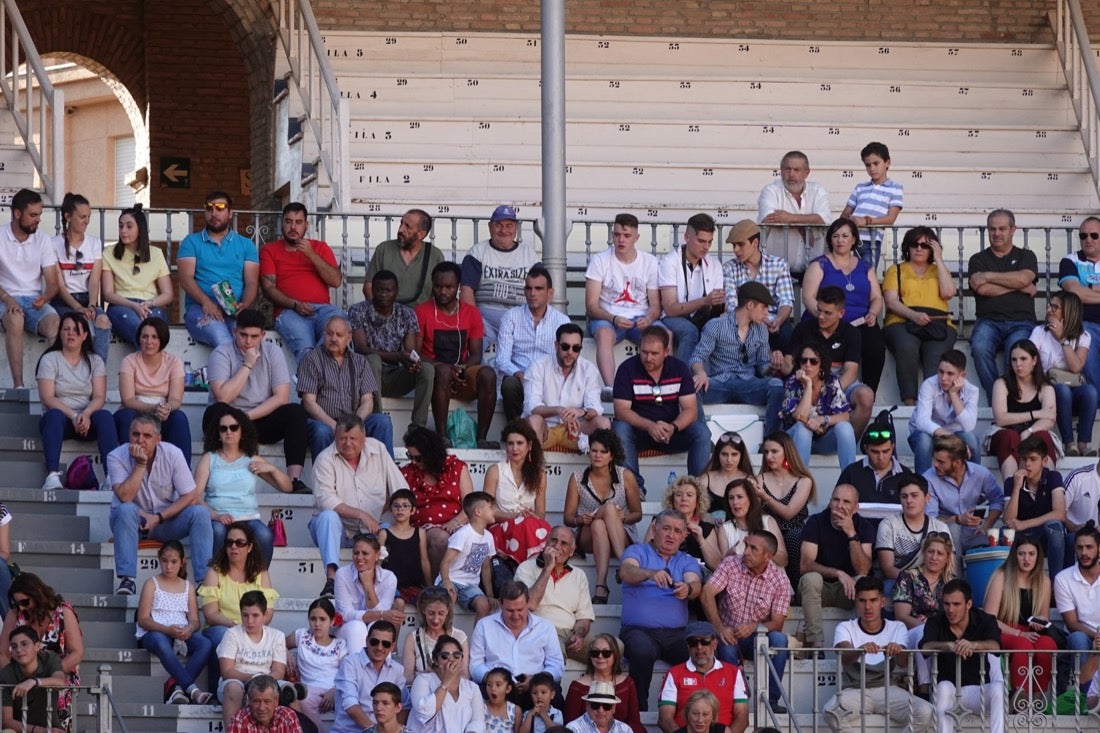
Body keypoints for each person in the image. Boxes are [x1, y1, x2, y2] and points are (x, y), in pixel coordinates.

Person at [205, 309, 311, 492]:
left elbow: (281, 397)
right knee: (216, 410)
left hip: (258, 418)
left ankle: (294, 479)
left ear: (263, 335)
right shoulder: (221, 353)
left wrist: (246, 417)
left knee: (296, 412)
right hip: (227, 420)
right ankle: (220, 476)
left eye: (254, 336)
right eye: (243, 335)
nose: (248, 341)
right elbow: (222, 396)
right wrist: (247, 364)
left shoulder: (272, 351)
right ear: (234, 332)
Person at [107, 413, 210, 595]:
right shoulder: (116, 456)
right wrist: (140, 464)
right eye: (135, 434)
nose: (140, 440)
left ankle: (204, 582)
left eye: (147, 436)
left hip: (165, 522)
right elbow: (125, 496)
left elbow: (190, 495)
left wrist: (159, 517)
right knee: (126, 509)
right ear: (129, 435)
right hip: (131, 522)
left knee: (200, 513)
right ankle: (127, 580)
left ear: (158, 439)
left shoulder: (173, 453)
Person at [309, 414, 409, 598]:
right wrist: (362, 515)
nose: (347, 443)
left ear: (364, 438)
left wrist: (387, 507)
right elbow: (326, 500)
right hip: (337, 531)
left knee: (394, 530)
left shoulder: (378, 449)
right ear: (335, 437)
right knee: (327, 516)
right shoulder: (324, 459)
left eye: (353, 438)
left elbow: (400, 489)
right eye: (342, 438)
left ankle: (389, 584)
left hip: (372, 528)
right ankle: (331, 579)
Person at [823, 576, 934, 733]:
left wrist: (897, 650)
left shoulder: (897, 627)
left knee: (925, 711)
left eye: (873, 600)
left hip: (889, 689)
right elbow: (846, 657)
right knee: (830, 712)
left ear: (882, 602)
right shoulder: (845, 627)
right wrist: (860, 649)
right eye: (862, 601)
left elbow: (903, 662)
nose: (868, 606)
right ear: (856, 601)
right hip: (855, 690)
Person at [617, 510, 703, 710]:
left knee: (700, 651)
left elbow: (696, 584)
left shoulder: (687, 560)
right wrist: (649, 573)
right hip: (639, 631)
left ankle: (690, 710)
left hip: (676, 635)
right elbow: (626, 571)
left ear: (684, 536)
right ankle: (639, 711)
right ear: (654, 530)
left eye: (677, 531)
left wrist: (688, 589)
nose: (671, 535)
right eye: (666, 528)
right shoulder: (637, 551)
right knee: (641, 651)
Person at [612, 326, 711, 493]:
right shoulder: (626, 369)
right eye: (644, 352)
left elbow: (690, 410)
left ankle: (697, 491)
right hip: (639, 433)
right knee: (619, 428)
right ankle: (634, 490)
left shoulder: (679, 369)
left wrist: (673, 427)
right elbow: (621, 411)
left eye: (654, 353)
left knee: (701, 432)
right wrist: (650, 426)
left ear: (666, 351)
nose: (648, 357)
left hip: (671, 432)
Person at [699, 531, 790, 712]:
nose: (746, 551)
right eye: (746, 545)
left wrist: (755, 627)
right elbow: (707, 592)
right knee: (726, 645)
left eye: (753, 549)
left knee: (780, 640)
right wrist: (720, 627)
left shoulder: (780, 581)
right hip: (727, 633)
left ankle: (771, 701)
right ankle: (736, 700)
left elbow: (777, 623)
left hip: (756, 637)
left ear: (768, 556)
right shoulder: (731, 563)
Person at [415, 261, 498, 448]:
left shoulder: (471, 313)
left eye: (449, 287)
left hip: (461, 373)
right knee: (443, 371)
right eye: (438, 286)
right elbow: (417, 353)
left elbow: (476, 354)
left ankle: (482, 438)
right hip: (435, 375)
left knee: (488, 374)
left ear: (458, 287)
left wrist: (461, 369)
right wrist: (443, 368)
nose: (443, 291)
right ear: (432, 284)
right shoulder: (421, 312)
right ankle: (442, 436)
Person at [196, 408, 292, 567]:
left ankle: (258, 583)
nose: (228, 432)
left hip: (249, 518)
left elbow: (287, 487)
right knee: (218, 532)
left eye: (233, 427)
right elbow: (196, 496)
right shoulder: (209, 458)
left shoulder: (251, 459)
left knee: (265, 535)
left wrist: (272, 469)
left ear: (242, 431)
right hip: (219, 517)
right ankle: (217, 581)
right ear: (218, 433)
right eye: (223, 428)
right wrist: (214, 515)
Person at [801, 217, 885, 393]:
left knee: (875, 346)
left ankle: (869, 394)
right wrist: (823, 316)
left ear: (854, 239)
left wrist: (873, 313)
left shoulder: (865, 267)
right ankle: (819, 394)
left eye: (845, 236)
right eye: (835, 236)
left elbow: (877, 297)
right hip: (827, 322)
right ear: (830, 239)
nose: (840, 240)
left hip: (860, 323)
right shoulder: (819, 265)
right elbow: (808, 297)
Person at [689, 281, 784, 437]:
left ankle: (770, 439)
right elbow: (697, 357)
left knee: (777, 385)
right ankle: (703, 437)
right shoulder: (716, 325)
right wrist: (700, 373)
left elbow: (762, 367)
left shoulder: (761, 330)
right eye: (764, 307)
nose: (767, 312)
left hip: (749, 383)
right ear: (750, 305)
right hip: (720, 382)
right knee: (692, 388)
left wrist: (773, 367)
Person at [36, 311, 118, 490]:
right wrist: (73, 415)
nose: (70, 333)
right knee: (54, 416)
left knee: (104, 417)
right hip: (61, 421)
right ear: (60, 333)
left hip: (87, 420)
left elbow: (99, 397)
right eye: (66, 329)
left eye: (75, 330)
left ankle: (112, 477)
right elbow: (47, 398)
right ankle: (52, 476)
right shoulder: (49, 359)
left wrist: (86, 414)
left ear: (85, 335)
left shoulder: (95, 361)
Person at [563, 429, 643, 605]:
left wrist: (617, 518)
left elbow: (638, 514)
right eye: (594, 451)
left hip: (621, 533)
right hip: (587, 535)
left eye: (603, 452)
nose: (598, 455)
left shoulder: (625, 476)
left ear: (612, 455)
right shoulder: (577, 478)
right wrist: (579, 519)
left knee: (603, 520)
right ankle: (625, 563)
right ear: (589, 452)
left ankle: (601, 585)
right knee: (603, 515)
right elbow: (567, 518)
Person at [297, 314, 395, 458]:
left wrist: (355, 425)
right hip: (323, 421)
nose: (333, 339)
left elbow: (367, 400)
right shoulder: (311, 359)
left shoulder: (360, 362)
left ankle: (386, 476)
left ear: (349, 338)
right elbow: (309, 402)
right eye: (329, 334)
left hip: (354, 419)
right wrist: (335, 426)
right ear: (324, 335)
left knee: (382, 421)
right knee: (321, 432)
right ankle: (326, 479)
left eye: (339, 335)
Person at [968, 208, 1039, 402]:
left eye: (1002, 229)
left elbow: (1024, 278)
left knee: (1016, 355)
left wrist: (989, 276)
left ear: (1013, 229)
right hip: (988, 321)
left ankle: (1015, 399)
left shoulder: (1026, 256)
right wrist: (1019, 286)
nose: (997, 233)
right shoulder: (978, 259)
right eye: (992, 229)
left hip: (1021, 321)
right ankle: (998, 400)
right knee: (980, 347)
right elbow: (981, 289)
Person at [783, 285, 874, 437]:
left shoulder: (851, 333)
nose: (820, 316)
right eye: (819, 310)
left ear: (841, 313)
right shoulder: (803, 329)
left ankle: (851, 441)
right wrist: (779, 363)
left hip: (839, 382)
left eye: (827, 313)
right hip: (807, 381)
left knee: (866, 396)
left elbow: (850, 372)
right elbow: (788, 366)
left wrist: (829, 392)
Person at [351, 269, 435, 431]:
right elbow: (361, 349)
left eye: (388, 290)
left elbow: (410, 351)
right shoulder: (358, 310)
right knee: (373, 359)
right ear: (372, 290)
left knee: (427, 369)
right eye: (379, 289)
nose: (383, 294)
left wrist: (412, 363)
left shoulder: (407, 313)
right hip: (366, 376)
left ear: (396, 292)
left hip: (395, 376)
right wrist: (398, 356)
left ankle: (417, 427)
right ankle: (376, 418)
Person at [585, 213, 662, 390]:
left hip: (640, 317)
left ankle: (661, 386)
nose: (621, 240)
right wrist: (614, 319)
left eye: (627, 236)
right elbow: (591, 306)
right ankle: (611, 389)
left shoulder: (649, 262)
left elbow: (656, 306)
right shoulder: (600, 260)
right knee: (604, 334)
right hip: (608, 318)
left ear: (637, 237)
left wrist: (649, 319)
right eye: (617, 234)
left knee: (664, 335)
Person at [259, 202, 345, 360]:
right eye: (288, 221)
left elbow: (336, 281)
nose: (293, 227)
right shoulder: (270, 250)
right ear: (282, 224)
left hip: (322, 310)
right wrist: (295, 304)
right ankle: (316, 380)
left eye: (298, 222)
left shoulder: (320, 248)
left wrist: (311, 254)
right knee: (306, 347)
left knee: (339, 322)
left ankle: (310, 379)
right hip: (289, 311)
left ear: (306, 225)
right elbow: (268, 288)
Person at [882, 227, 958, 404]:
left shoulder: (940, 269)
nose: (919, 249)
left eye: (925, 245)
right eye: (914, 244)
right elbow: (891, 301)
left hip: (937, 323)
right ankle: (910, 404)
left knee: (936, 355)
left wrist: (938, 259)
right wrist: (913, 315)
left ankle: (931, 404)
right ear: (907, 248)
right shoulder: (896, 270)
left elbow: (948, 293)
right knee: (907, 347)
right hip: (902, 320)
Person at [199, 523, 279, 690]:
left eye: (240, 543)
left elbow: (268, 614)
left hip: (252, 626)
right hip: (221, 626)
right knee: (225, 636)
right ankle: (217, 690)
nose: (234, 547)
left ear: (249, 547)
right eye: (229, 543)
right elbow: (210, 614)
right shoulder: (215, 572)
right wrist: (235, 627)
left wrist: (248, 626)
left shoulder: (261, 573)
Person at [0, 574, 84, 732]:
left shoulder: (63, 612)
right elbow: (3, 653)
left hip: (56, 673)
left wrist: (47, 674)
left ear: (37, 593)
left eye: (25, 602)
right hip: (20, 674)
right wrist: (12, 676)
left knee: (54, 718)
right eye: (18, 604)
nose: (22, 608)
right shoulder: (14, 614)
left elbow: (77, 653)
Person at [920, 579, 1004, 733]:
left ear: (969, 604)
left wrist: (974, 645)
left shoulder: (985, 620)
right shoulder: (936, 620)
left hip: (977, 691)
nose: (950, 610)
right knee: (944, 687)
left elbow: (996, 646)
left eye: (956, 604)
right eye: (946, 604)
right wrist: (947, 645)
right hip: (948, 690)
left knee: (998, 688)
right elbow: (925, 647)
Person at [137, 540, 214, 705]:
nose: (168, 566)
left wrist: (189, 628)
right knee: (160, 641)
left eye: (173, 562)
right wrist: (166, 630)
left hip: (179, 631)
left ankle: (176, 687)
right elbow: (143, 619)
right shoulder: (152, 584)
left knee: (205, 644)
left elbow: (195, 620)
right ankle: (193, 690)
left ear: (182, 562)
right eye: (164, 561)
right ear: (159, 559)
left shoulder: (188, 586)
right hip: (155, 632)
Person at [178, 192, 259, 347]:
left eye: (220, 208)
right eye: (209, 208)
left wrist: (245, 305)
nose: (214, 213)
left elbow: (252, 282)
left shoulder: (246, 245)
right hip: (201, 308)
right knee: (222, 338)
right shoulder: (191, 242)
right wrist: (206, 302)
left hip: (234, 311)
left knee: (245, 342)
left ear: (230, 213)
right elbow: (185, 279)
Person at [799, 484, 874, 653]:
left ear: (856, 508)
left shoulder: (864, 526)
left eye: (846, 502)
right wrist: (838, 573)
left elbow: (863, 570)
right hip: (819, 590)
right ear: (830, 502)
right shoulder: (816, 522)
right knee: (811, 578)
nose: (840, 506)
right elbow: (805, 565)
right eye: (836, 500)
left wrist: (851, 534)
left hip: (847, 591)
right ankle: (816, 645)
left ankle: (861, 642)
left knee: (863, 582)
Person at [983, 536, 1058, 699]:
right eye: (1021, 554)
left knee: (1048, 644)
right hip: (1003, 630)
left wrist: (1040, 622)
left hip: (1029, 631)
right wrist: (1017, 633)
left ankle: (1039, 697)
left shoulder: (1044, 582)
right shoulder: (1001, 577)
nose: (1027, 559)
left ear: (1038, 556)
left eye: (1031, 554)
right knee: (1022, 644)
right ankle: (1020, 697)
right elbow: (989, 618)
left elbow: (1044, 617)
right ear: (1014, 555)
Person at [0, 188, 60, 389]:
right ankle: (19, 385)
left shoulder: (43, 239)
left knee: (55, 324)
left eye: (39, 215)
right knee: (15, 319)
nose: (38, 220)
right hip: (5, 298)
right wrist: (9, 300)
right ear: (17, 214)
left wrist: (44, 297)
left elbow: (53, 283)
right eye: (33, 215)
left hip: (34, 300)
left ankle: (53, 387)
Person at [114, 316, 193, 465]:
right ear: (139, 339)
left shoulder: (174, 362)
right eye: (145, 336)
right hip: (134, 410)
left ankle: (184, 473)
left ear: (162, 339)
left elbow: (176, 399)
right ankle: (126, 469)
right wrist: (154, 408)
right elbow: (128, 399)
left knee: (179, 418)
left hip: (162, 413)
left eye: (154, 337)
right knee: (126, 416)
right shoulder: (129, 361)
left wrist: (167, 408)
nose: (149, 342)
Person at [460, 204, 542, 346]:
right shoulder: (478, 252)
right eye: (498, 225)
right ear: (490, 226)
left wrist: (536, 318)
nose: (504, 230)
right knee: (476, 354)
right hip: (485, 318)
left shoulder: (529, 255)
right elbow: (466, 291)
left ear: (516, 228)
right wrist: (476, 322)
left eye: (509, 225)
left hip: (520, 317)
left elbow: (542, 290)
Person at [495, 266, 570, 421]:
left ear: (550, 293)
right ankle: (516, 428)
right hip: (519, 378)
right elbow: (501, 360)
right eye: (528, 288)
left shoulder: (562, 321)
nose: (532, 293)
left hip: (549, 381)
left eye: (538, 288)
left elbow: (567, 359)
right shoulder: (511, 317)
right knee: (509, 384)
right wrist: (520, 374)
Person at [401, 426, 475, 580]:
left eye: (418, 458)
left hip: (457, 524)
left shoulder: (456, 467)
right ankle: (434, 588)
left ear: (431, 454)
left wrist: (454, 522)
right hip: (423, 529)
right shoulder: (408, 473)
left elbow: (470, 505)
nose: (414, 462)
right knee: (440, 539)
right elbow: (394, 501)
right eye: (410, 456)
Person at [1030, 290, 1097, 456]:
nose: (1049, 310)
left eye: (1055, 307)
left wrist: (1063, 340)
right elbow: (1030, 362)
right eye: (1049, 305)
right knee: (1061, 390)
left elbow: (1076, 367)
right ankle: (1069, 444)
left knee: (1091, 391)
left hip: (1073, 386)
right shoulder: (1039, 332)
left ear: (1068, 312)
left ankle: (1083, 444)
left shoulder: (1083, 336)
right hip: (1046, 389)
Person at [514, 526, 595, 664]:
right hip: (541, 631)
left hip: (570, 633)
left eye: (564, 543)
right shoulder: (526, 568)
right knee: (554, 652)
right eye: (553, 540)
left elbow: (584, 618)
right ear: (546, 544)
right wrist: (548, 567)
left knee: (614, 648)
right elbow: (530, 604)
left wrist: (578, 635)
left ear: (571, 551)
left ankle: (594, 685)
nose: (557, 546)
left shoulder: (579, 575)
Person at [524, 322, 608, 452]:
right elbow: (532, 407)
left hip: (576, 430)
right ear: (556, 345)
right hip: (546, 428)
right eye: (565, 347)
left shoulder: (588, 369)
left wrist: (582, 412)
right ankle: (535, 469)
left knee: (603, 423)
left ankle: (598, 472)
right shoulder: (538, 366)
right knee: (534, 421)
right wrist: (558, 410)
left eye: (576, 348)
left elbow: (596, 407)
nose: (570, 352)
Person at [469, 580, 565, 691]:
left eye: (520, 610)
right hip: (496, 690)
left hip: (535, 689)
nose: (515, 616)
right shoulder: (484, 625)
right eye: (510, 610)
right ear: (500, 603)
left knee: (555, 695)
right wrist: (494, 680)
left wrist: (536, 680)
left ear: (528, 602)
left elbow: (556, 666)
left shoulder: (545, 627)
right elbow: (475, 664)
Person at [101, 204, 173, 348]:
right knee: (140, 332)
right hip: (121, 305)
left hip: (150, 305)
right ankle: (148, 370)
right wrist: (133, 306)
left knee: (155, 331)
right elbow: (108, 293)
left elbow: (168, 294)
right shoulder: (109, 253)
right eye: (120, 226)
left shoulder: (156, 253)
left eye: (129, 226)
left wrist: (149, 304)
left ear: (140, 229)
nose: (123, 231)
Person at [656, 620, 748, 733]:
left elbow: (742, 717)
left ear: (715, 643)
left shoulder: (733, 672)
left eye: (705, 641)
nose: (699, 647)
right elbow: (665, 719)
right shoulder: (674, 674)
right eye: (693, 642)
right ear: (687, 646)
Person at [50, 192, 110, 363]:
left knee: (103, 320)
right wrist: (77, 307)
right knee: (84, 324)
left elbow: (94, 279)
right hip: (63, 301)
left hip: (87, 299)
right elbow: (59, 285)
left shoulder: (94, 243)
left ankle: (98, 373)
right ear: (68, 216)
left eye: (89, 216)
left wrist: (91, 304)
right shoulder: (53, 244)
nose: (87, 221)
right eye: (82, 216)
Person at [779, 339, 857, 469]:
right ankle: (801, 480)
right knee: (803, 428)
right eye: (804, 361)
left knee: (845, 428)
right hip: (794, 440)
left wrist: (823, 419)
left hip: (821, 439)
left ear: (821, 364)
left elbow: (845, 415)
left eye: (813, 361)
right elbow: (798, 416)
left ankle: (849, 480)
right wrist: (808, 385)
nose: (808, 365)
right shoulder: (792, 382)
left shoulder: (831, 381)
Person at [658, 213, 726, 363]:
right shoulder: (670, 262)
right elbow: (670, 309)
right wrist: (705, 301)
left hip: (703, 317)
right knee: (690, 331)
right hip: (674, 318)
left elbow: (718, 307)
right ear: (687, 237)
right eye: (701, 241)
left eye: (710, 242)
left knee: (722, 329)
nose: (706, 247)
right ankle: (684, 380)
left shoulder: (714, 265)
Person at [892, 531, 956, 690]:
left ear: (947, 558)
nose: (934, 557)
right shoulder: (908, 576)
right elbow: (901, 616)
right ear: (924, 553)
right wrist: (931, 628)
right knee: (924, 633)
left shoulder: (952, 583)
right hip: (912, 631)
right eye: (931, 551)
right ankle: (925, 687)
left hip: (944, 633)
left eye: (940, 553)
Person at [721, 218, 796, 352]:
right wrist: (760, 320)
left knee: (785, 331)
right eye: (734, 246)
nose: (736, 250)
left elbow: (786, 302)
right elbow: (731, 305)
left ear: (755, 243)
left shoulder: (779, 265)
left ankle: (784, 370)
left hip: (772, 321)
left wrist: (778, 320)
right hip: (743, 321)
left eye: (740, 244)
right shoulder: (729, 268)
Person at [924, 434, 1005, 556]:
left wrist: (986, 526)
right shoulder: (928, 478)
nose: (935, 464)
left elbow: (998, 500)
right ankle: (956, 575)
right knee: (954, 529)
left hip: (973, 531)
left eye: (940, 462)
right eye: (935, 460)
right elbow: (930, 518)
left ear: (957, 463)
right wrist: (957, 519)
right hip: (941, 533)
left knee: (997, 540)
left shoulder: (980, 474)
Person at [217, 592, 288, 729]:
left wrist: (262, 682)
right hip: (238, 681)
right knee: (233, 689)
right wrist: (254, 679)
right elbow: (227, 671)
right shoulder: (232, 634)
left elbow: (279, 671)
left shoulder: (276, 636)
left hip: (268, 680)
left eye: (255, 615)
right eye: (245, 615)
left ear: (265, 614)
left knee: (289, 690)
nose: (249, 621)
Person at [484, 420, 552, 565]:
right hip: (501, 528)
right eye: (510, 443)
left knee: (540, 527)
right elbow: (486, 511)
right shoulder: (495, 471)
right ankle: (533, 567)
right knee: (526, 525)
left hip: (528, 528)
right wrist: (515, 516)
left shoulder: (540, 475)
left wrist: (531, 516)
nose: (514, 448)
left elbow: (541, 514)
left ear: (529, 446)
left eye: (520, 443)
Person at [989, 339, 1058, 480]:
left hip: (1033, 433)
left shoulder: (1046, 387)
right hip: (1005, 434)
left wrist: (1029, 431)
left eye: (1023, 359)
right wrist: (1036, 414)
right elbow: (1001, 419)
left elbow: (1049, 419)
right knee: (1009, 436)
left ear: (1034, 360)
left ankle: (1048, 487)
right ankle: (1011, 488)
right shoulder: (1002, 383)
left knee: (1043, 436)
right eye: (1014, 360)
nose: (1018, 364)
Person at [756, 431, 816, 592]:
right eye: (766, 452)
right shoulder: (760, 478)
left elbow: (789, 513)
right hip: (768, 529)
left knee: (794, 537)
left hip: (794, 529)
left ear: (787, 452)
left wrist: (764, 496)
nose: (769, 456)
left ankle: (796, 589)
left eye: (774, 451)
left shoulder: (803, 481)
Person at [756, 150, 831, 277]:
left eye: (796, 170)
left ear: (806, 173)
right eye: (787, 169)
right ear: (781, 171)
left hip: (814, 267)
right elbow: (769, 218)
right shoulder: (771, 190)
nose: (791, 174)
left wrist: (789, 218)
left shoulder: (817, 190)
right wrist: (802, 226)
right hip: (775, 268)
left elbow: (824, 219)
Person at [908, 349, 981, 477]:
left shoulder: (972, 390)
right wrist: (951, 438)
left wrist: (954, 394)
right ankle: (922, 485)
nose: (943, 378)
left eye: (950, 373)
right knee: (925, 440)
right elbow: (922, 422)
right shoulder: (929, 384)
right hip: (927, 435)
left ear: (962, 376)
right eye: (941, 372)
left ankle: (975, 484)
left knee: (972, 440)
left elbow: (969, 426)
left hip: (954, 435)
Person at [1003, 435, 1067, 579]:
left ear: (1044, 461)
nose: (1027, 464)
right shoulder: (1011, 482)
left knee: (1055, 527)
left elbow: (1060, 514)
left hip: (1043, 533)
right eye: (1024, 459)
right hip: (1021, 535)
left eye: (1033, 459)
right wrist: (1016, 488)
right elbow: (1008, 520)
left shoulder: (1053, 477)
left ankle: (1055, 582)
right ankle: (1009, 583)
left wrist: (1025, 523)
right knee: (1003, 533)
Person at [875, 474, 950, 595]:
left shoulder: (940, 527)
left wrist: (929, 582)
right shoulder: (888, 525)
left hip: (934, 579)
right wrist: (916, 582)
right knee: (889, 587)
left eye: (914, 495)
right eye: (904, 496)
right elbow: (887, 569)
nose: (909, 501)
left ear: (927, 497)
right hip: (900, 579)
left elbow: (950, 565)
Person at [331, 621, 408, 733]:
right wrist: (375, 731)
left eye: (385, 644)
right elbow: (351, 705)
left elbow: (403, 706)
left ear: (393, 646)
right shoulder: (350, 664)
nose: (379, 647)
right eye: (374, 642)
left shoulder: (397, 670)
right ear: (367, 641)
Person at [333, 533, 405, 654]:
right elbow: (345, 615)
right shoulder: (342, 574)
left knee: (379, 628)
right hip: (346, 629)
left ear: (377, 555)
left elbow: (381, 616)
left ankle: (381, 670)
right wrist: (381, 614)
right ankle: (359, 669)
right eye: (356, 553)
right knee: (358, 627)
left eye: (365, 553)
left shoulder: (389, 578)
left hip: (371, 625)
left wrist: (368, 585)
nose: (359, 557)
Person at [285, 598, 348, 732]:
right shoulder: (301, 635)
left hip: (335, 690)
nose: (317, 623)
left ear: (332, 621)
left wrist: (334, 690)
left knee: (351, 701)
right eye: (313, 619)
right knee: (302, 700)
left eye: (322, 619)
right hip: (309, 690)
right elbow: (279, 643)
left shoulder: (340, 645)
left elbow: (347, 672)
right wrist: (286, 653)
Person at [839, 141, 904, 268]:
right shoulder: (860, 187)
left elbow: (890, 219)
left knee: (866, 278)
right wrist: (850, 220)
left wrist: (866, 221)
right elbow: (845, 214)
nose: (872, 168)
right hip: (849, 240)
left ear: (887, 163)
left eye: (876, 163)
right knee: (845, 275)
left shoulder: (895, 188)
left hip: (871, 242)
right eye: (868, 165)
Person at [564, 635, 645, 733]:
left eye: (606, 653)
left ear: (615, 655)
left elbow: (634, 722)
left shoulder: (627, 683)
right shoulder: (577, 687)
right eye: (595, 652)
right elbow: (570, 725)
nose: (600, 656)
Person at [364, 208, 444, 307]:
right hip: (387, 314)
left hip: (420, 317)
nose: (400, 229)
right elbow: (368, 286)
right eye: (401, 223)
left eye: (407, 227)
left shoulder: (435, 255)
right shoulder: (384, 249)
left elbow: (442, 292)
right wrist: (379, 312)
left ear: (421, 234)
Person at [643, 477, 724, 572]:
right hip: (663, 573)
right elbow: (645, 555)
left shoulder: (706, 528)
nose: (684, 498)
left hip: (697, 576)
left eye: (689, 495)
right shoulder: (659, 521)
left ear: (698, 502)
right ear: (672, 500)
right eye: (679, 495)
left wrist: (701, 539)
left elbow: (718, 566)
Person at [438, 492, 497, 620]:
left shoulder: (489, 537)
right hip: (452, 579)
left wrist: (490, 594)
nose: (494, 510)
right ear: (478, 511)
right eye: (491, 507)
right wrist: (447, 582)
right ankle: (445, 636)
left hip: (471, 585)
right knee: (448, 599)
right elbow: (445, 562)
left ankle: (477, 639)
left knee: (483, 605)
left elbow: (486, 568)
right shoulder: (463, 534)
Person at [1054, 524, 1100, 684]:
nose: (1084, 553)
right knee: (1077, 638)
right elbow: (1072, 623)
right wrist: (1096, 636)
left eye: (1089, 547)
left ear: (1098, 549)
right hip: (1085, 637)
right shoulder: (1063, 578)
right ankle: (1086, 700)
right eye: (1080, 548)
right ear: (1074, 549)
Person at [410, 634, 484, 733]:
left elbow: (478, 721)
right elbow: (424, 713)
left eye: (456, 655)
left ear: (462, 658)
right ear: (436, 660)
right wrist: (446, 682)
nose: (451, 660)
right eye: (445, 656)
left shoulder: (472, 688)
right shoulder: (422, 680)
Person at [0, 625, 68, 733]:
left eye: (24, 644)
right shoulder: (7, 674)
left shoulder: (49, 659)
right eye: (14, 646)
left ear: (37, 646)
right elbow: (7, 721)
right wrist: (41, 731)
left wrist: (34, 682)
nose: (18, 650)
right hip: (23, 730)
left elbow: (60, 682)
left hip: (52, 728)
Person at [1058, 216, 1100, 389]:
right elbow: (1075, 292)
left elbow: (1082, 291)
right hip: (1084, 324)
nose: (1088, 239)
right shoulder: (1070, 261)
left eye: (1094, 235)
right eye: (1083, 236)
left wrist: (1088, 287)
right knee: (1087, 355)